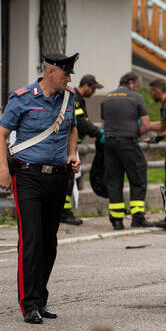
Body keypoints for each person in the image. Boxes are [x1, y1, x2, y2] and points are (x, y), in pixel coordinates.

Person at [0, 53, 81, 324]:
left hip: (57, 177)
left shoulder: (68, 98)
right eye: (65, 74)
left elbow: (72, 128)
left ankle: (41, 299)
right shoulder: (22, 98)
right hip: (28, 177)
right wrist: (4, 171)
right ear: (51, 71)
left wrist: (72, 154)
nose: (68, 79)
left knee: (49, 242)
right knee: (31, 240)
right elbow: (0, 135)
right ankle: (28, 303)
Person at [101, 72, 157, 230]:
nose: (137, 89)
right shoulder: (136, 98)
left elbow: (104, 125)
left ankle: (117, 220)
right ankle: (137, 217)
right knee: (138, 177)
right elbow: (146, 125)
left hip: (110, 143)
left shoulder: (107, 98)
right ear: (131, 83)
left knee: (114, 181)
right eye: (137, 86)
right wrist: (134, 135)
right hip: (128, 142)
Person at [60, 74, 105, 225]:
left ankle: (62, 211)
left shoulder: (78, 98)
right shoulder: (75, 98)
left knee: (68, 179)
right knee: (68, 180)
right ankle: (64, 213)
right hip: (66, 146)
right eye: (93, 88)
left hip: (69, 145)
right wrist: (98, 133)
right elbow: (80, 122)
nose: (94, 92)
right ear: (86, 85)